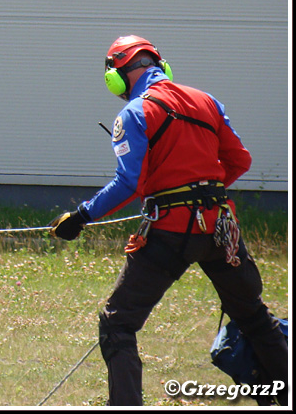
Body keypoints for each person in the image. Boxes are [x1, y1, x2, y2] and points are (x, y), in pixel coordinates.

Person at [48, 35, 288, 406]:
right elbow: (240, 161)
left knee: (118, 324)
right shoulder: (207, 101)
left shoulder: (134, 112)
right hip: (221, 231)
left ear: (117, 76)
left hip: (171, 233)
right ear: (161, 66)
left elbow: (128, 183)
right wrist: (202, 190)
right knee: (255, 318)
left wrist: (81, 216)